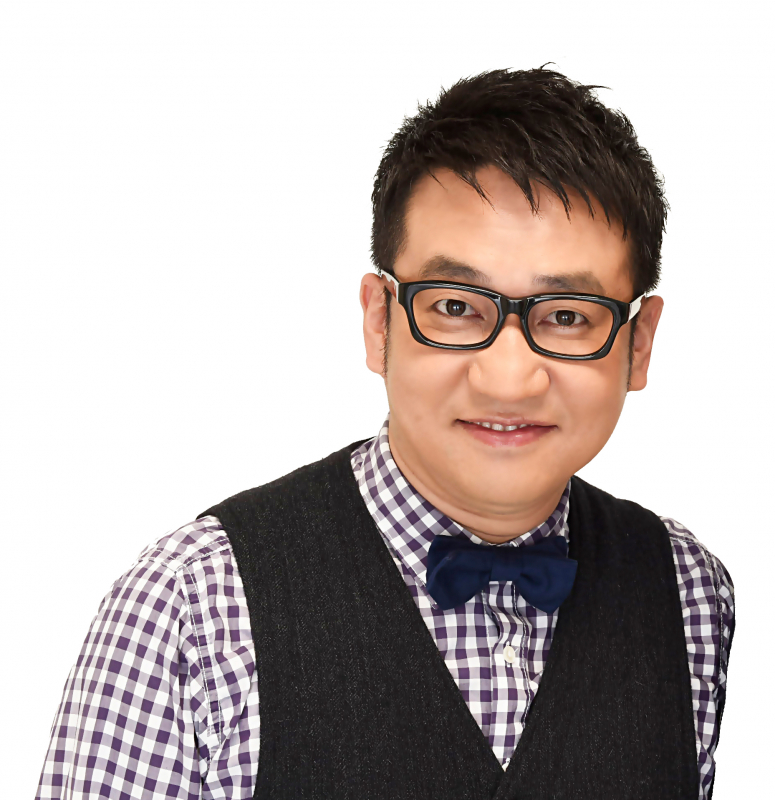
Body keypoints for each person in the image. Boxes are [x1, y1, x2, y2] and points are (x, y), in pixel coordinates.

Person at [35, 68, 734, 800]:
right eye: (455, 307)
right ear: (378, 321)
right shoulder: (194, 604)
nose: (508, 378)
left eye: (566, 316)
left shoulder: (688, 593)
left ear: (638, 344)